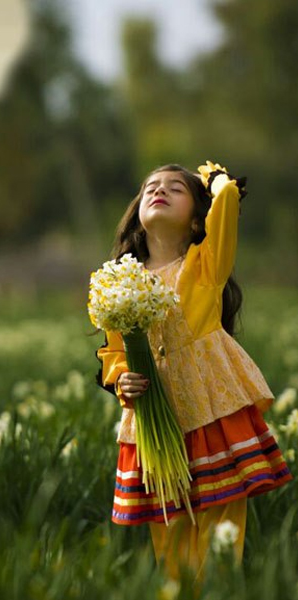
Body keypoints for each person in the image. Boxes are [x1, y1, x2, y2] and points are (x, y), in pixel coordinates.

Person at [95, 161, 292, 583]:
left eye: (174, 188)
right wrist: (121, 381)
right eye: (150, 186)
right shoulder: (120, 282)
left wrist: (214, 179)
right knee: (172, 544)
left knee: (219, 537)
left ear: (197, 215)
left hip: (213, 414)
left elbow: (226, 201)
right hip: (153, 426)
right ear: (137, 210)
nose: (158, 191)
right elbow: (113, 354)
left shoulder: (205, 265)